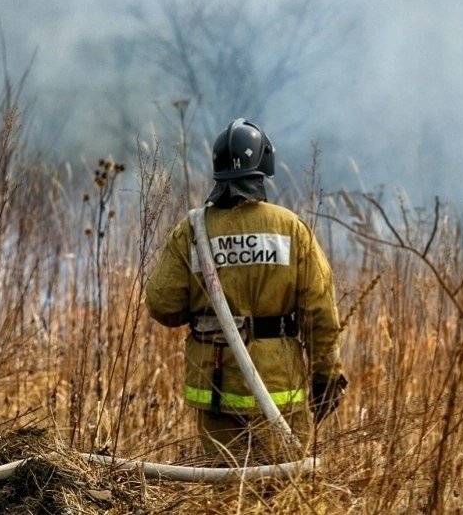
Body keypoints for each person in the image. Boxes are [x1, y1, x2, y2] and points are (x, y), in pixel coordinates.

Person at [145, 118, 346, 465]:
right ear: (262, 167)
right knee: (283, 488)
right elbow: (320, 311)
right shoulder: (290, 229)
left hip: (216, 388)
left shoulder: (191, 230)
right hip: (279, 387)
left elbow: (163, 305)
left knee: (225, 489)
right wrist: (325, 375)